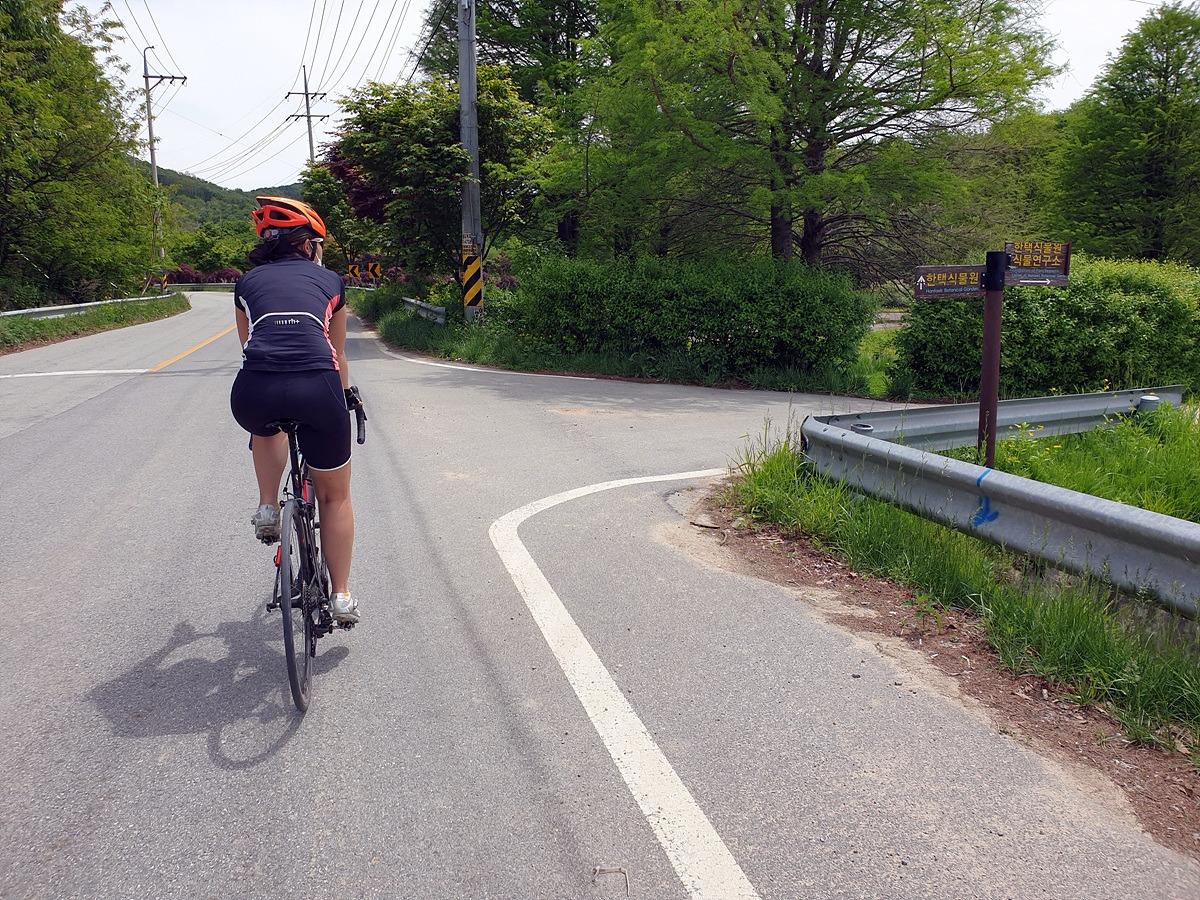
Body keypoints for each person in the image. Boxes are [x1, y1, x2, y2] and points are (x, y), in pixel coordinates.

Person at [230, 196, 362, 624]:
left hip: (255, 391)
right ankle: (340, 595)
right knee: (335, 495)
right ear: (308, 245)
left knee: (266, 424)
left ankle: (268, 507)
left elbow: (250, 347)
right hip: (317, 390)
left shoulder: (245, 284)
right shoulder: (332, 282)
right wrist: (346, 398)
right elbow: (336, 353)